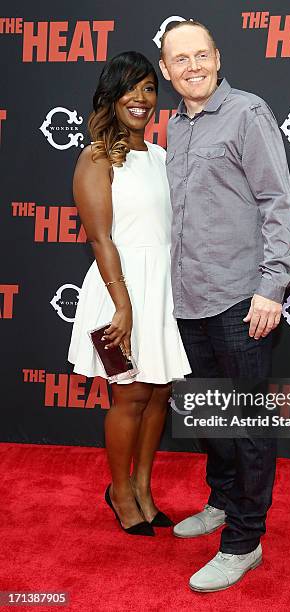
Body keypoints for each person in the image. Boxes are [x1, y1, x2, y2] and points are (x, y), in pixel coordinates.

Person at [159, 21, 290, 590]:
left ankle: (244, 540)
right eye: (180, 59)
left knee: (248, 424)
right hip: (187, 299)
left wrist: (272, 285)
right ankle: (221, 501)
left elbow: (276, 201)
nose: (192, 66)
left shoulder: (247, 113)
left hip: (241, 298)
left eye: (201, 54)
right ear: (165, 70)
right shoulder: (173, 125)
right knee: (209, 415)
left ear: (217, 57)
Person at [68, 51, 191, 536]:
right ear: (111, 95)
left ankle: (143, 487)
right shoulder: (96, 157)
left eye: (149, 88)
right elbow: (100, 239)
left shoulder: (161, 157)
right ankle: (120, 492)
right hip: (116, 292)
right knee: (129, 397)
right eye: (130, 88)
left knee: (159, 394)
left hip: (161, 291)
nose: (140, 98)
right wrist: (123, 305)